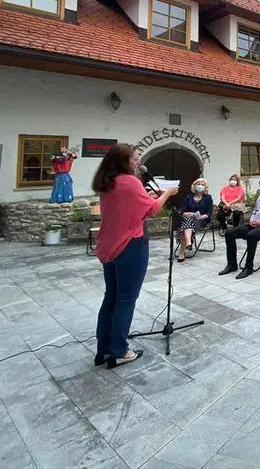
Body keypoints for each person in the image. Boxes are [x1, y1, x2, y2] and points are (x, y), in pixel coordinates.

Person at [92, 143, 178, 369]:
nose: (138, 162)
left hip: (110, 245)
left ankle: (104, 349)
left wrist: (148, 195)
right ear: (123, 161)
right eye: (135, 158)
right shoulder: (129, 181)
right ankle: (119, 351)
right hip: (130, 245)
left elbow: (130, 204)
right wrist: (167, 193)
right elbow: (151, 210)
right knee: (126, 300)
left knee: (111, 297)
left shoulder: (107, 181)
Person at [220, 176, 260, 279]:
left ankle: (248, 267)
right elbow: (255, 211)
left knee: (251, 235)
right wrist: (252, 220)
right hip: (255, 224)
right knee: (230, 233)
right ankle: (232, 264)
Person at [176, 178, 213, 262]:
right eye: (198, 184)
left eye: (202, 184)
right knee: (187, 221)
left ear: (205, 187)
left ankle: (182, 252)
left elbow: (209, 213)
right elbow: (182, 211)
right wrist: (187, 213)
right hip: (188, 220)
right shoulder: (189, 197)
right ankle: (188, 242)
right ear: (194, 186)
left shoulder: (208, 197)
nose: (200, 186)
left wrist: (199, 217)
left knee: (185, 225)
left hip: (201, 220)